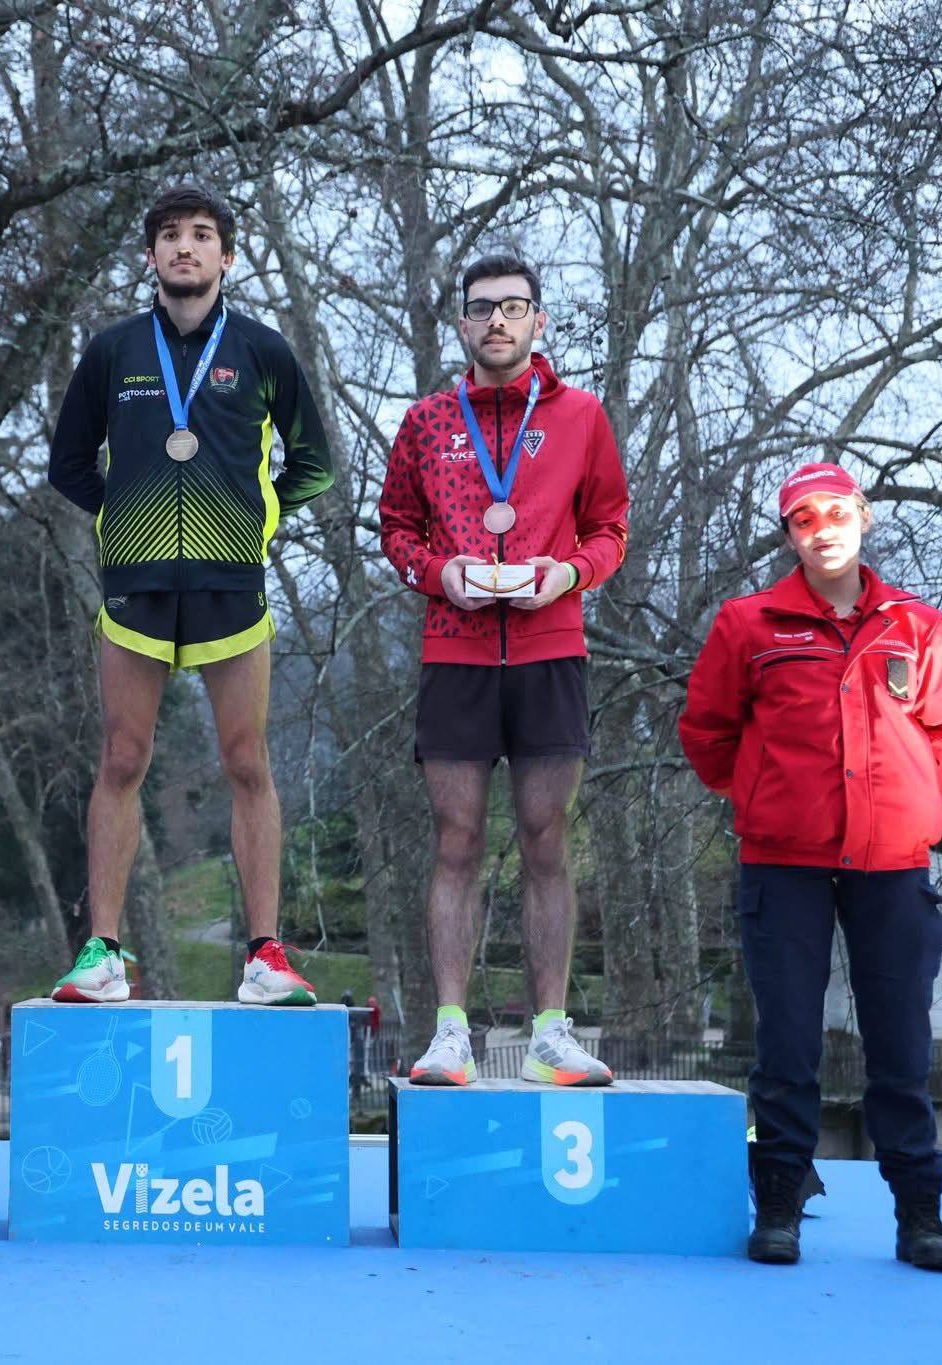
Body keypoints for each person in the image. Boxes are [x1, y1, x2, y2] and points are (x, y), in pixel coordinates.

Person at [679, 462, 942, 1272]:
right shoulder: (749, 624)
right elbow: (706, 733)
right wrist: (767, 794)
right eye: (804, 518)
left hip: (892, 865)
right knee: (785, 1044)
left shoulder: (917, 625)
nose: (823, 529)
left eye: (837, 513)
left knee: (901, 1047)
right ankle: (780, 1200)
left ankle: (920, 1213)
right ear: (790, 535)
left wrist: (910, 797)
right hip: (784, 866)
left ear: (864, 517)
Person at [46, 184, 334, 1005]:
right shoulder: (112, 350)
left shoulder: (263, 350)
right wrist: (124, 516)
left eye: (202, 234)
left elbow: (314, 464)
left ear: (227, 256)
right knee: (121, 759)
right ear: (150, 256)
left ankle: (266, 955)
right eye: (170, 234)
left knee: (248, 761)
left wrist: (254, 518)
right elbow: (69, 465)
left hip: (231, 585)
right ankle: (102, 953)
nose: (185, 246)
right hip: (135, 588)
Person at [377, 254, 629, 1086]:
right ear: (461, 324)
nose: (497, 321)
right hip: (455, 650)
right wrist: (434, 571)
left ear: (539, 321)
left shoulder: (581, 416)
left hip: (551, 648)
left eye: (513, 307)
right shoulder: (426, 421)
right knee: (456, 839)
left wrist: (571, 574)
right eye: (482, 308)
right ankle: (451, 1031)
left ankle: (550, 1032)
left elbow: (611, 525)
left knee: (547, 837)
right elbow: (395, 525)